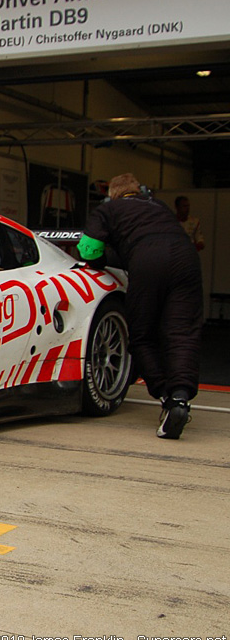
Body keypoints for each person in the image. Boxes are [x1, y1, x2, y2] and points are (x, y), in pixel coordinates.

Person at [76, 173, 203, 440]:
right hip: (186, 259)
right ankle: (181, 397)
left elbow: (87, 250)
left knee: (142, 334)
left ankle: (166, 396)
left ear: (113, 194)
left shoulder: (108, 208)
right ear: (139, 191)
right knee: (182, 332)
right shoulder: (158, 206)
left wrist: (104, 262)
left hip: (147, 259)